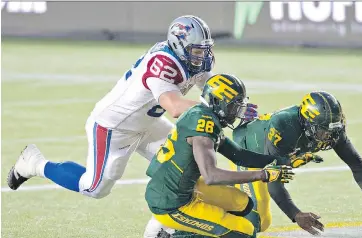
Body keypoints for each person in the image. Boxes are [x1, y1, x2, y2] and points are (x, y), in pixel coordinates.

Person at [7, 15, 257, 204]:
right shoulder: (164, 63)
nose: (201, 57)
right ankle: (35, 163)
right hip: (115, 125)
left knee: (184, 166)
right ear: (179, 45)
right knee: (95, 188)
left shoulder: (192, 58)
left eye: (204, 50)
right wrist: (218, 109)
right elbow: (175, 107)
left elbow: (207, 89)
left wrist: (231, 104)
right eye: (195, 51)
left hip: (149, 123)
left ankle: (163, 228)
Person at [145, 73, 294, 238]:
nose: (237, 111)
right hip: (171, 202)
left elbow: (238, 155)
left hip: (183, 188)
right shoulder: (203, 124)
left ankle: (185, 230)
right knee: (246, 235)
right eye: (233, 105)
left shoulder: (204, 115)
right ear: (218, 102)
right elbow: (211, 176)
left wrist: (279, 160)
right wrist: (263, 175)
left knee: (243, 204)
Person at [230, 91, 362, 235]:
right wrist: (296, 214)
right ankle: (217, 197)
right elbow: (274, 182)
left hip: (276, 153)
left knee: (284, 165)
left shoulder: (331, 129)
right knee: (258, 221)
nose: (329, 136)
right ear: (307, 123)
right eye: (323, 131)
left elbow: (355, 162)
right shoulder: (283, 125)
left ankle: (289, 160)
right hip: (248, 150)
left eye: (333, 131)